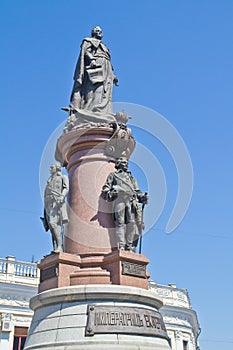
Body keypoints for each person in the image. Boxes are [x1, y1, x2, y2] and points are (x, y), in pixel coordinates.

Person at [102, 157, 148, 252]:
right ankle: (122, 246)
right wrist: (112, 193)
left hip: (131, 201)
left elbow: (137, 191)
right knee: (120, 222)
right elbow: (105, 189)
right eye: (123, 162)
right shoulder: (113, 175)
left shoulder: (131, 178)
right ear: (118, 164)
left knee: (132, 224)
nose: (126, 164)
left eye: (127, 163)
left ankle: (129, 246)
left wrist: (142, 197)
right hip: (119, 200)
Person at [70, 26, 118, 115]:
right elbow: (85, 51)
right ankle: (91, 109)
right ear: (93, 32)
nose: (100, 32)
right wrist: (92, 59)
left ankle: (103, 111)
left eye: (101, 31)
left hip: (106, 67)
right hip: (96, 65)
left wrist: (112, 74)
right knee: (95, 87)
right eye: (97, 31)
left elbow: (107, 58)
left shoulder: (103, 46)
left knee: (105, 90)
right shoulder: (88, 41)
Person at [40, 163, 69, 253]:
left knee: (53, 224)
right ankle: (55, 247)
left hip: (57, 203)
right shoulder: (49, 180)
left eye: (52, 167)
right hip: (48, 204)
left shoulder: (63, 177)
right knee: (51, 226)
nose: (50, 169)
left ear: (57, 168)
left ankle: (60, 246)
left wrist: (61, 197)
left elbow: (66, 188)